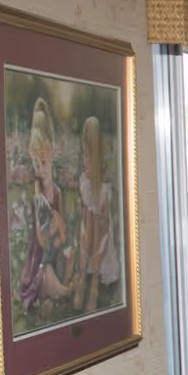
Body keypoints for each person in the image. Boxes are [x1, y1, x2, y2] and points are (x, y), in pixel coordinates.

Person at [16, 97, 73, 315]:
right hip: (40, 257)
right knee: (47, 273)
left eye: (44, 161)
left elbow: (63, 232)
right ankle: (63, 291)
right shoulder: (38, 193)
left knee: (68, 256)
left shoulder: (56, 191)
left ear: (50, 153)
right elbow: (40, 238)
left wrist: (59, 231)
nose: (40, 167)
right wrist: (52, 227)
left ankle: (61, 289)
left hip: (55, 249)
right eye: (35, 163)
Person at [74, 115, 120, 313]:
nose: (85, 161)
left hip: (101, 242)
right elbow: (84, 221)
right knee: (87, 225)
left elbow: (105, 227)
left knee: (96, 223)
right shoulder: (85, 183)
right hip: (88, 240)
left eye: (88, 156)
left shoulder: (102, 190)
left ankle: (92, 284)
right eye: (83, 155)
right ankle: (84, 277)